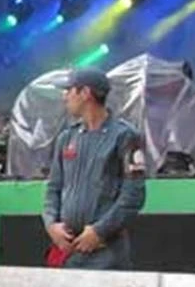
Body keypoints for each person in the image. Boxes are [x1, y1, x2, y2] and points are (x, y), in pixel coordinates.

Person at [43, 68, 147, 270]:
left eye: (69, 90)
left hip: (107, 252)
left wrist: (100, 231)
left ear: (85, 93)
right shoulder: (66, 137)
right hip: (68, 251)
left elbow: (134, 195)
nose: (65, 96)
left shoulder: (125, 136)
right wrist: (51, 225)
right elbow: (53, 187)